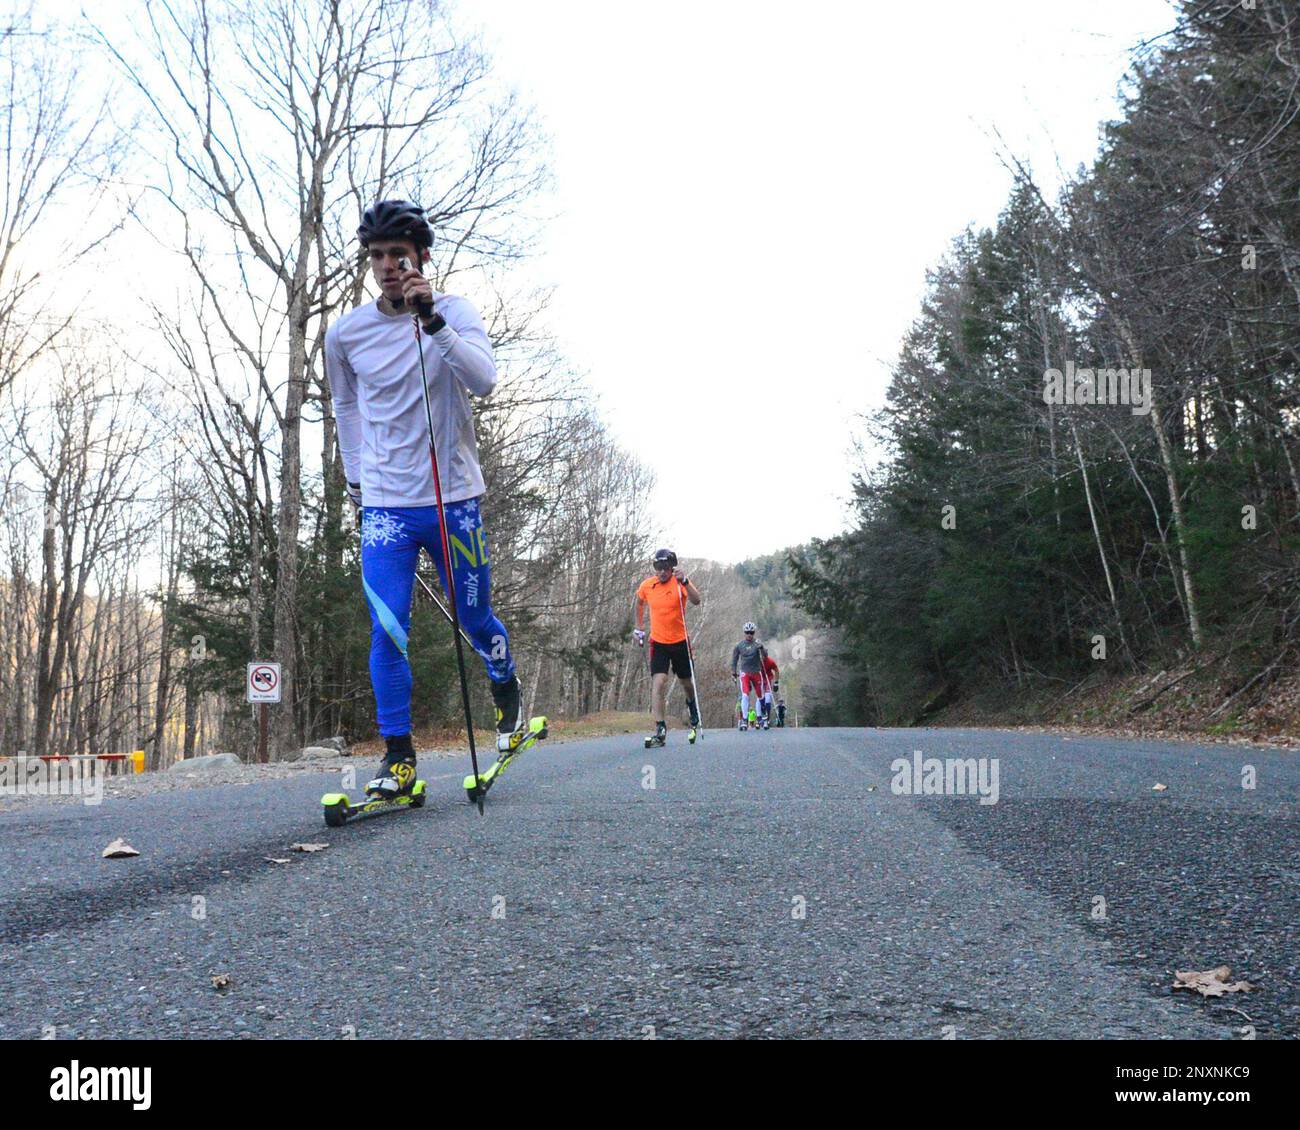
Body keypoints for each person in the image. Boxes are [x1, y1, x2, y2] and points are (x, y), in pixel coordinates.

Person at [326, 199, 524, 798]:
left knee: (473, 616)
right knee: (389, 629)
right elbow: (346, 405)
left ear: (422, 257)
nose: (387, 267)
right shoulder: (346, 333)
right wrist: (356, 476)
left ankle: (504, 684)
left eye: (398, 255)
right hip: (385, 506)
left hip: (453, 499)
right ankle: (399, 757)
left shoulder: (455, 311)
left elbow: (484, 381)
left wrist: (433, 321)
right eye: (377, 256)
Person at [634, 548, 702, 746]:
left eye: (665, 568)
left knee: (686, 683)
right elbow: (639, 603)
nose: (661, 572)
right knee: (659, 682)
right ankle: (660, 727)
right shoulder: (648, 585)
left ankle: (692, 705)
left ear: (672, 568)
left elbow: (697, 601)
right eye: (658, 568)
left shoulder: (680, 583)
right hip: (659, 642)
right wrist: (639, 626)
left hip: (680, 641)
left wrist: (686, 582)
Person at [730, 622, 768, 731]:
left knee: (760, 696)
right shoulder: (739, 645)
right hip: (745, 673)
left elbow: (765, 656)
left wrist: (762, 648)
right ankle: (744, 720)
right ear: (744, 633)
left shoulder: (757, 643)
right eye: (747, 632)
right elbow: (734, 660)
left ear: (754, 633)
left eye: (751, 632)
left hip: (756, 672)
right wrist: (733, 672)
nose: (749, 634)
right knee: (745, 695)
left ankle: (764, 717)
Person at [759, 651, 780, 729]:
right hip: (759, 679)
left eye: (764, 657)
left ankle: (767, 719)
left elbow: (777, 671)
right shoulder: (756, 661)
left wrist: (776, 682)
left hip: (769, 679)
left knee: (767, 699)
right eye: (761, 656)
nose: (762, 658)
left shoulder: (770, 661)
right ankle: (759, 718)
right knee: (760, 698)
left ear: (766, 656)